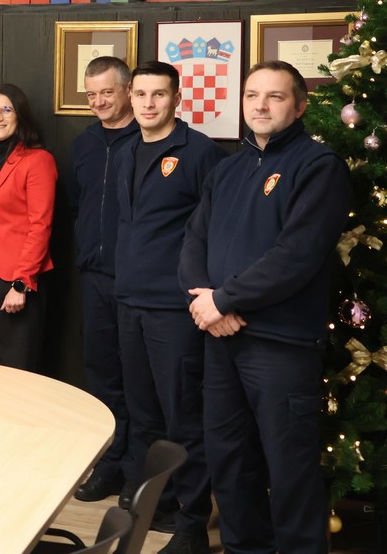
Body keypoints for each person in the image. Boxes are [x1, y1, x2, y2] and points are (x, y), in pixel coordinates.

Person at [181, 61, 351, 554]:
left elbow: (296, 255)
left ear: (299, 106)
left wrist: (224, 300)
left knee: (289, 467)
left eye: (275, 97)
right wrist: (205, 301)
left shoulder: (319, 167)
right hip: (221, 339)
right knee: (230, 462)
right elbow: (193, 241)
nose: (260, 105)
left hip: (280, 345)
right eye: (252, 95)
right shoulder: (227, 168)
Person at [114, 61, 225, 554]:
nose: (148, 103)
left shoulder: (200, 153)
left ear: (177, 98)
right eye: (140, 94)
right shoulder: (126, 150)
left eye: (158, 94)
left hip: (174, 308)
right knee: (143, 416)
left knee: (183, 417)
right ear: (130, 97)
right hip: (129, 300)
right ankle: (152, 505)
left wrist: (203, 293)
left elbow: (216, 232)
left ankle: (192, 521)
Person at [69, 55, 140, 503]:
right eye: (91, 94)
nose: (98, 101)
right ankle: (110, 466)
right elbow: (77, 203)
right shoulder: (84, 143)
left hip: (137, 282)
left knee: (139, 382)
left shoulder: (148, 139)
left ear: (128, 90)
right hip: (93, 276)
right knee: (102, 376)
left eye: (106, 93)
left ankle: (137, 474)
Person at [0, 84, 56, 370]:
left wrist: (22, 283)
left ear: (20, 115)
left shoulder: (37, 160)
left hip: (16, 275)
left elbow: (40, 225)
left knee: (16, 366)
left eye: (7, 110)